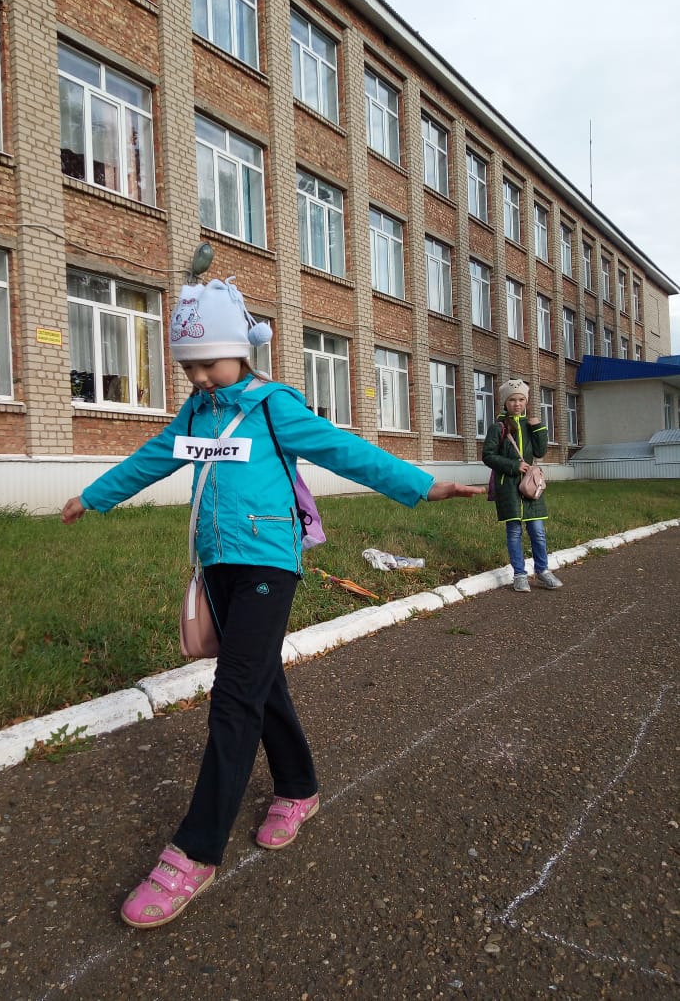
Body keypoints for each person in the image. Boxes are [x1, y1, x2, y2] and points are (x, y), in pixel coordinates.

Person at [62, 276, 485, 930]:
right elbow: (151, 459)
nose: (198, 377)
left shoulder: (270, 406)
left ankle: (195, 850)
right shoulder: (195, 415)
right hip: (217, 564)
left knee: (234, 696)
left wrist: (423, 486)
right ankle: (297, 787)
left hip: (268, 563)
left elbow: (344, 451)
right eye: (188, 366)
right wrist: (94, 496)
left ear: (238, 350)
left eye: (207, 362)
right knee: (260, 681)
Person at [482, 378, 563, 593]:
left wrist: (539, 428)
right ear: (505, 402)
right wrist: (514, 465)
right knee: (514, 532)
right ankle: (519, 574)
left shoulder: (529, 425)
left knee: (538, 532)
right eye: (512, 400)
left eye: (521, 400)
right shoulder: (498, 428)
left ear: (526, 401)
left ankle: (543, 571)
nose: (517, 404)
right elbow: (488, 456)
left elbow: (540, 451)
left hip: (530, 487)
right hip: (508, 487)